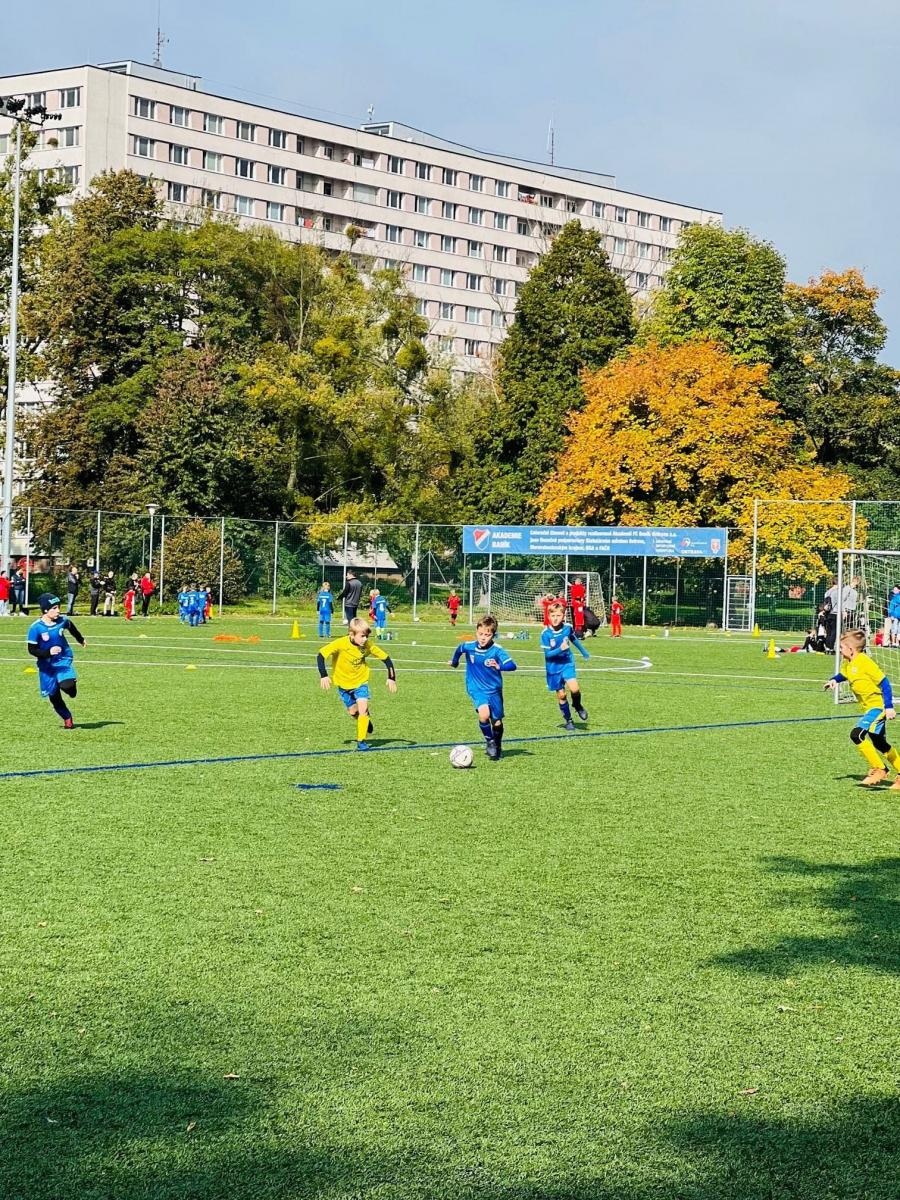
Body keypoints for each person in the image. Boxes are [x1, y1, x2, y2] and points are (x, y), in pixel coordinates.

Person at [824, 628, 900, 788]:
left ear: (851, 649)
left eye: (842, 647)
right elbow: (844, 674)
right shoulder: (848, 662)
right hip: (868, 709)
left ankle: (880, 769)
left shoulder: (865, 662)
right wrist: (834, 680)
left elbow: (884, 683)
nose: (839, 650)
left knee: (856, 735)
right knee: (880, 743)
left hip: (878, 707)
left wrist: (889, 707)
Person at [317, 616, 397, 751]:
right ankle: (365, 720)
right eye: (362, 636)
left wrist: (391, 677)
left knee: (363, 710)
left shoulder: (367, 645)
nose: (365, 639)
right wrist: (323, 675)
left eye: (366, 636)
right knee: (353, 712)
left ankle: (361, 741)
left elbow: (386, 659)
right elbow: (321, 655)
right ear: (351, 634)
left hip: (361, 682)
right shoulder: (340, 644)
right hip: (343, 684)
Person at [449, 614, 517, 761]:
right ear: (476, 632)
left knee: (496, 721)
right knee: (484, 714)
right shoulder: (469, 646)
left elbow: (512, 665)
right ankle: (489, 741)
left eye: (487, 635)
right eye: (480, 634)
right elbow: (459, 649)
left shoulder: (497, 650)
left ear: (493, 635)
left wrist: (500, 666)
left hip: (494, 690)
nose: (483, 637)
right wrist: (455, 662)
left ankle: (497, 745)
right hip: (475, 687)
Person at [27, 592, 86, 729]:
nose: (58, 610)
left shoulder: (62, 620)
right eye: (54, 608)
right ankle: (67, 717)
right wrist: (48, 652)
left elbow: (72, 628)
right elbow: (32, 650)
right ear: (45, 610)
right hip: (46, 666)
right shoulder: (35, 628)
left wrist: (80, 639)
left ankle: (70, 686)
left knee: (68, 687)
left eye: (58, 607)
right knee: (54, 696)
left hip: (63, 660)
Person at [541, 600, 590, 730]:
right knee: (561, 695)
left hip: (567, 663)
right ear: (548, 616)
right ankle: (568, 720)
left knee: (575, 688)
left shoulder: (567, 627)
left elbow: (573, 639)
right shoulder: (545, 634)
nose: (555, 618)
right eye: (552, 616)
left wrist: (584, 651)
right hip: (553, 667)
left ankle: (577, 706)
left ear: (563, 615)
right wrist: (560, 649)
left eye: (558, 615)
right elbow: (548, 655)